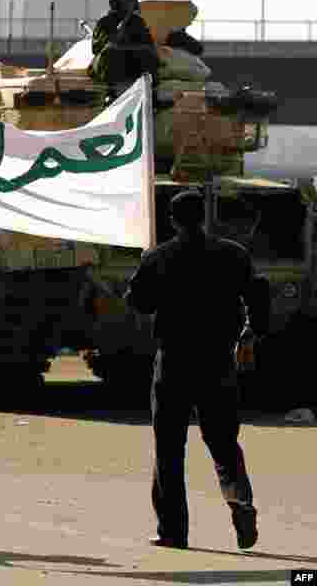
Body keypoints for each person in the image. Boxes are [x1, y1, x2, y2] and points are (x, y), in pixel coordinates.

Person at [125, 189, 267, 550]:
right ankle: (240, 502)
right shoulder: (233, 254)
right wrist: (253, 331)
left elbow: (139, 302)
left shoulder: (160, 257)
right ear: (204, 216)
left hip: (173, 362)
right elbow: (258, 295)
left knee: (169, 449)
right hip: (218, 361)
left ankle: (174, 531)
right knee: (223, 443)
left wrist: (143, 273)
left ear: (173, 220)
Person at [91, 0, 160, 94]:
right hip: (108, 63)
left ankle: (151, 92)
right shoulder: (105, 22)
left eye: (131, 0)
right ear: (116, 3)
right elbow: (101, 48)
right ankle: (112, 91)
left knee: (147, 54)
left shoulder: (138, 22)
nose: (129, 4)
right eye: (125, 0)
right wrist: (123, 25)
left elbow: (148, 45)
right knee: (112, 52)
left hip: (131, 62)